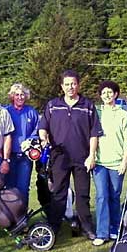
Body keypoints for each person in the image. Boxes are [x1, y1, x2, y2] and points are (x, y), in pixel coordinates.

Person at [38, 69, 103, 240]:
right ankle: (54, 226)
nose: (70, 87)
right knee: (59, 193)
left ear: (78, 85)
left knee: (82, 195)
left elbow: (94, 133)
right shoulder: (53, 105)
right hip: (59, 157)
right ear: (62, 86)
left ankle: (87, 227)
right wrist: (44, 140)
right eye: (67, 84)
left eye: (73, 83)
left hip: (82, 158)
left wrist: (92, 156)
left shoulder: (88, 105)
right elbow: (43, 127)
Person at [92, 80, 127, 246]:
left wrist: (124, 161)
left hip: (117, 163)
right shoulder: (96, 113)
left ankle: (115, 228)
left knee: (114, 196)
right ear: (100, 96)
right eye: (103, 93)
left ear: (116, 94)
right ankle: (102, 233)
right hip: (99, 163)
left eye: (110, 92)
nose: (107, 95)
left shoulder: (123, 114)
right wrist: (91, 156)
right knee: (102, 196)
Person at [5, 83, 39, 206]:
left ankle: (22, 217)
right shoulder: (6, 112)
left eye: (22, 94)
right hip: (9, 157)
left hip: (25, 157)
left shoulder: (31, 112)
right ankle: (9, 218)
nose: (20, 97)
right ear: (12, 96)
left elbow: (37, 130)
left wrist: (30, 140)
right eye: (17, 95)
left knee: (23, 188)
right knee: (9, 188)